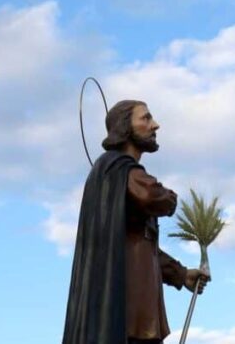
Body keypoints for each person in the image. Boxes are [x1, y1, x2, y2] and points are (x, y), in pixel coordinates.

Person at [63, 100, 208, 344]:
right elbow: (156, 198)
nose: (155, 125)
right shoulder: (119, 170)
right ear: (125, 127)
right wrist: (170, 196)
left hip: (132, 314)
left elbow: (138, 242)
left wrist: (181, 274)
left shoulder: (117, 174)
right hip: (126, 316)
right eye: (146, 118)